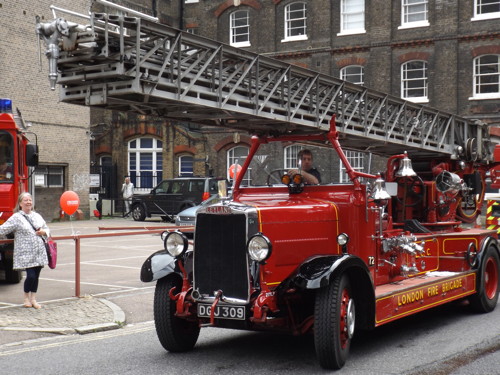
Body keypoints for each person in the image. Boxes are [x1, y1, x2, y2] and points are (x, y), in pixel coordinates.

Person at [0, 192, 49, 309]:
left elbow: (46, 228)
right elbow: (3, 229)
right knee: (31, 276)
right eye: (25, 200)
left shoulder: (37, 216)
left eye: (30, 200)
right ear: (20, 203)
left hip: (39, 251)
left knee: (36, 276)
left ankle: (34, 299)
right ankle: (26, 297)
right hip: (26, 253)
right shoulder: (17, 217)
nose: (28, 202)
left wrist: (44, 232)